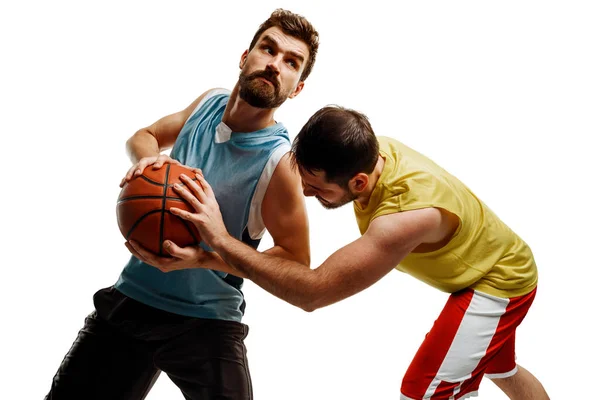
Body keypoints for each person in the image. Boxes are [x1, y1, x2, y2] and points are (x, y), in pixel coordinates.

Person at [130, 106, 550, 399]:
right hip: (488, 264)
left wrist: (219, 240)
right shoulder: (365, 147)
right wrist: (206, 258)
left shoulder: (405, 218)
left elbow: (313, 292)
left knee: (425, 391)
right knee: (498, 368)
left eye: (316, 187)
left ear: (360, 183)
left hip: (497, 282)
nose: (306, 193)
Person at [45, 9, 319, 400]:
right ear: (245, 57)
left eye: (291, 62)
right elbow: (145, 136)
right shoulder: (208, 104)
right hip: (134, 295)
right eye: (268, 49)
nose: (275, 64)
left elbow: (295, 263)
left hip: (206, 319)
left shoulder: (279, 164)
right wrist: (151, 161)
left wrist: (207, 255)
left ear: (297, 88)